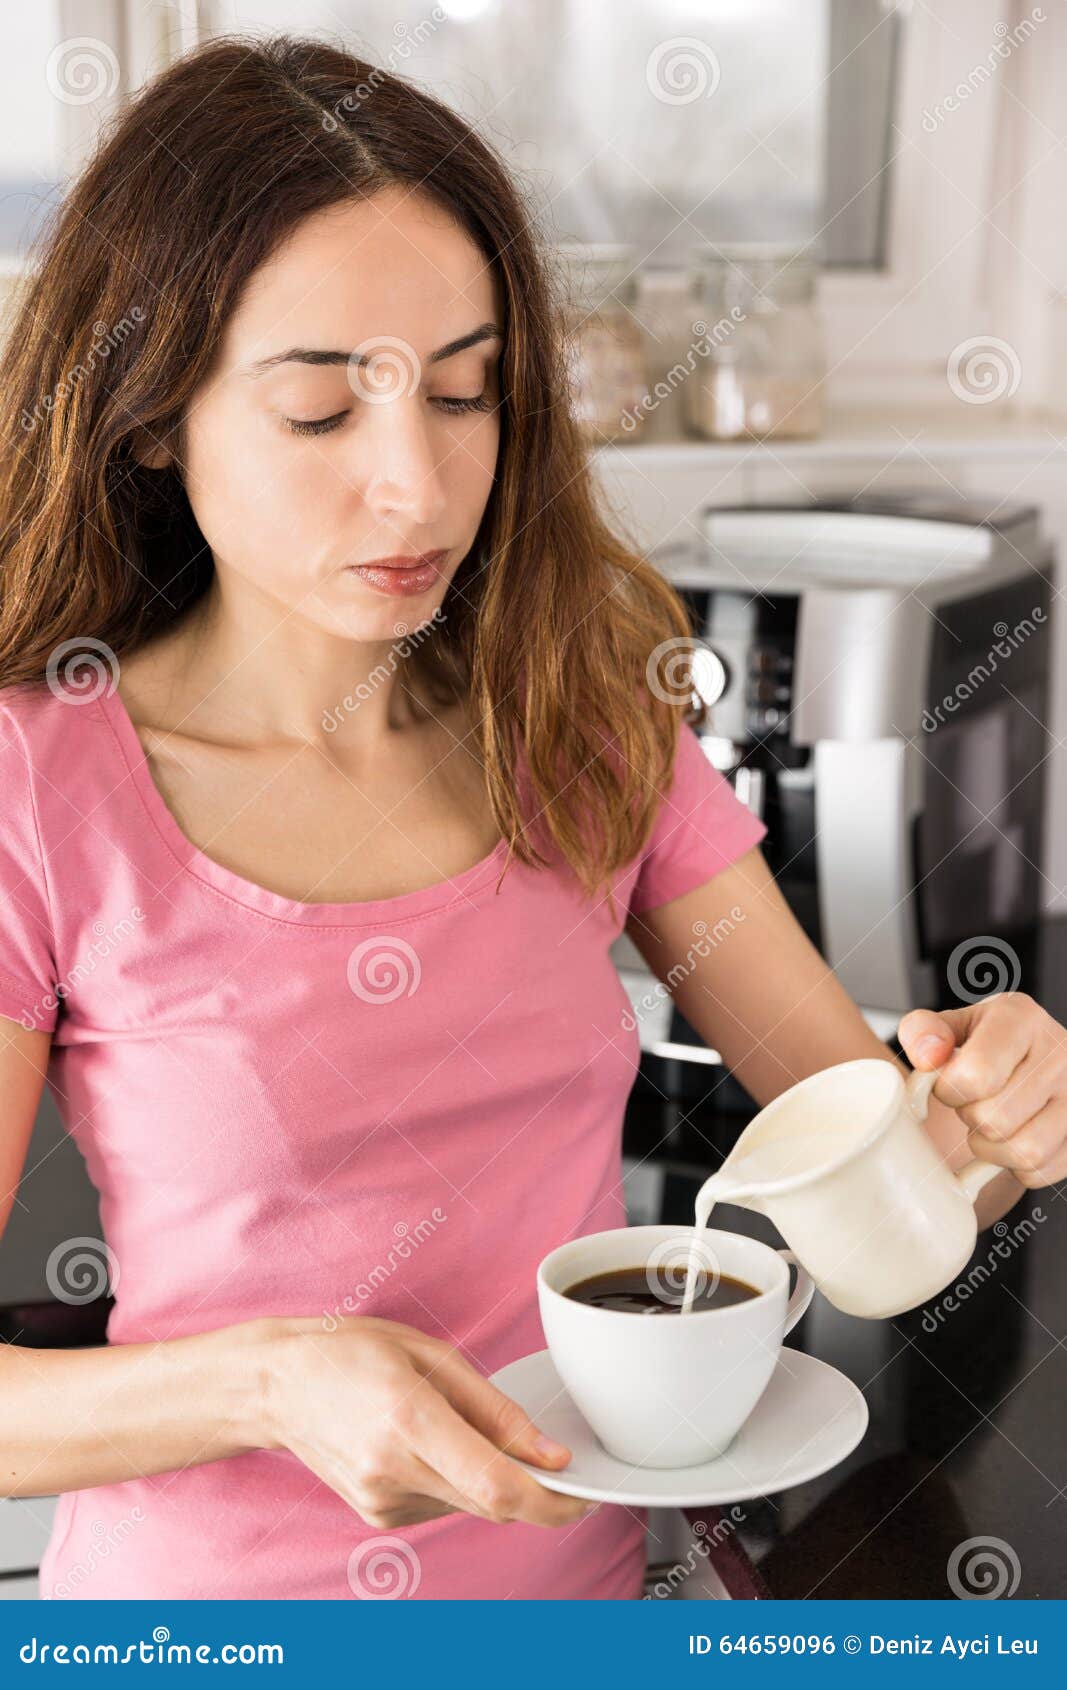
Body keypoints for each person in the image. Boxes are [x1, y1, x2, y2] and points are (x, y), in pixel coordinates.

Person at [0, 35, 1062, 1603]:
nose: (417, 487)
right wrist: (266, 1379)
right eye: (319, 413)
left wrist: (1001, 1123)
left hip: (589, 1613)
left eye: (463, 392)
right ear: (153, 416)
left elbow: (876, 1172)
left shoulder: (580, 725)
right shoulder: (40, 785)